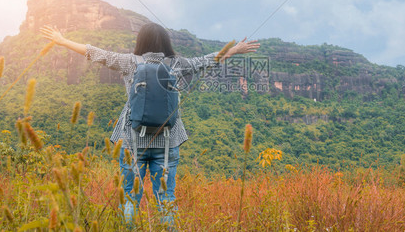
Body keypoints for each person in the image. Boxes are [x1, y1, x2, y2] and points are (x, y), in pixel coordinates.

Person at [41, 23, 259, 226]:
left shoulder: (129, 62)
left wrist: (62, 40)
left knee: (129, 195)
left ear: (141, 42)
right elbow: (208, 59)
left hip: (131, 142)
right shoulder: (178, 64)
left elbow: (96, 53)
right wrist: (235, 50)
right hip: (167, 141)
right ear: (166, 42)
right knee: (166, 197)